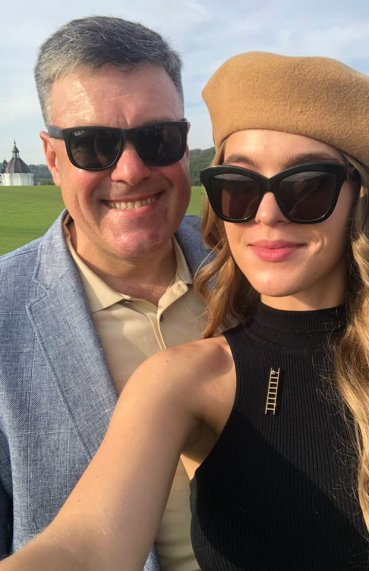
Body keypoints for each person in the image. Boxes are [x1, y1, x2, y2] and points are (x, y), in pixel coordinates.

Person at [1, 52, 369, 571]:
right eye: (239, 188)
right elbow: (86, 544)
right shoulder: (183, 381)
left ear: (358, 199)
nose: (267, 214)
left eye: (307, 186)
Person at [0, 16, 210, 571]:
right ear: (52, 158)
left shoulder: (251, 268)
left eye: (158, 139)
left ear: (185, 145)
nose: (132, 171)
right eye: (93, 145)